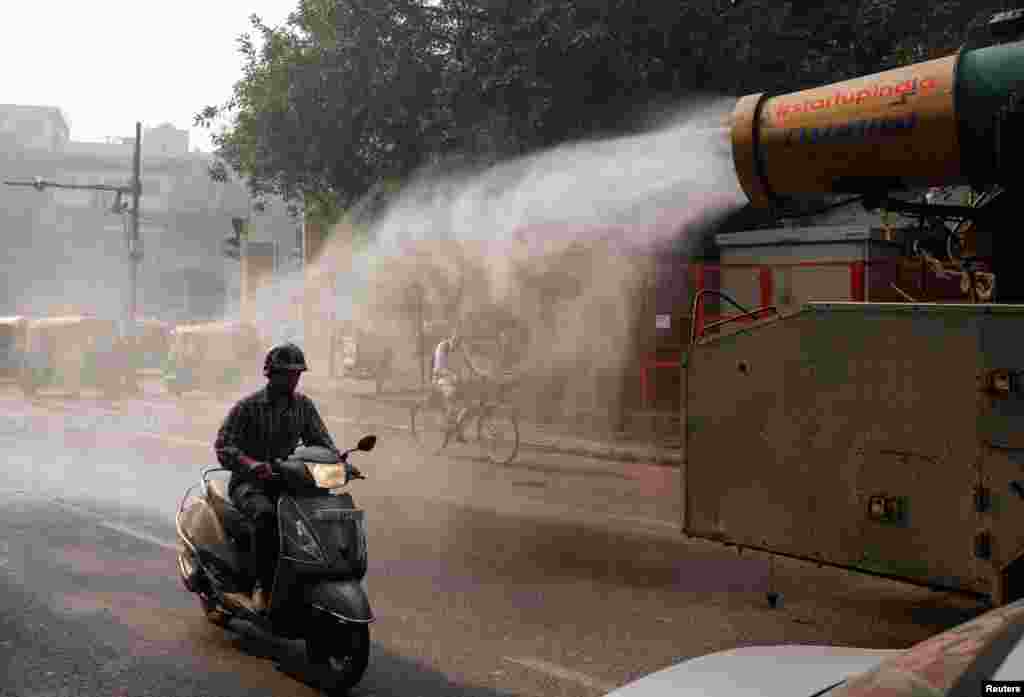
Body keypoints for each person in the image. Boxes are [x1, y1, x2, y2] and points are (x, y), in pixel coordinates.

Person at [213, 342, 349, 613]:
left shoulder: (303, 406)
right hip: (250, 484)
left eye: (296, 374)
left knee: (322, 512)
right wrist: (251, 466)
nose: (292, 379)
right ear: (270, 374)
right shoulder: (248, 407)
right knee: (265, 517)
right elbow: (224, 446)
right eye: (286, 374)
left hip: (289, 481)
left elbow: (321, 441)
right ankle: (262, 585)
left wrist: (339, 461)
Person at [432, 330, 483, 443]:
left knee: (470, 405)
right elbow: (439, 368)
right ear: (451, 338)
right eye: (455, 341)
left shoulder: (460, 348)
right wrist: (452, 375)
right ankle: (448, 425)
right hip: (441, 379)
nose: (457, 344)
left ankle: (459, 431)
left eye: (459, 342)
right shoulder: (443, 347)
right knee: (453, 396)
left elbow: (468, 363)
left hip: (455, 381)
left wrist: (479, 373)